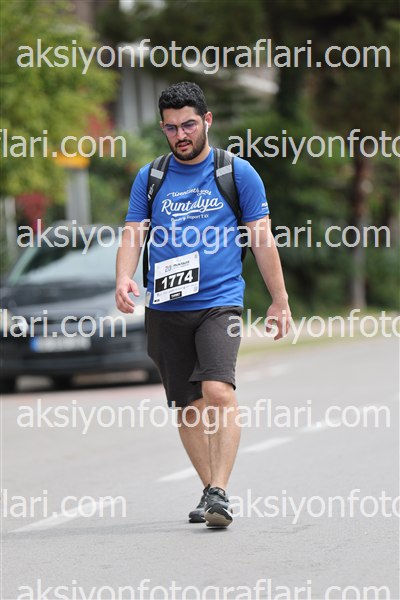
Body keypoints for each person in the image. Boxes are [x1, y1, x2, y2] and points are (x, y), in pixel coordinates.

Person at [116, 81, 291, 528]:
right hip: (166, 306)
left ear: (207, 121)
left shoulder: (236, 173)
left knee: (217, 391)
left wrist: (280, 300)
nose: (181, 135)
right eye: (172, 127)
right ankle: (212, 491)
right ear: (163, 128)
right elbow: (134, 232)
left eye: (189, 124)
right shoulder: (151, 177)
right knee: (188, 405)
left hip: (220, 302)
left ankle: (219, 491)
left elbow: (262, 237)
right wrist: (123, 276)